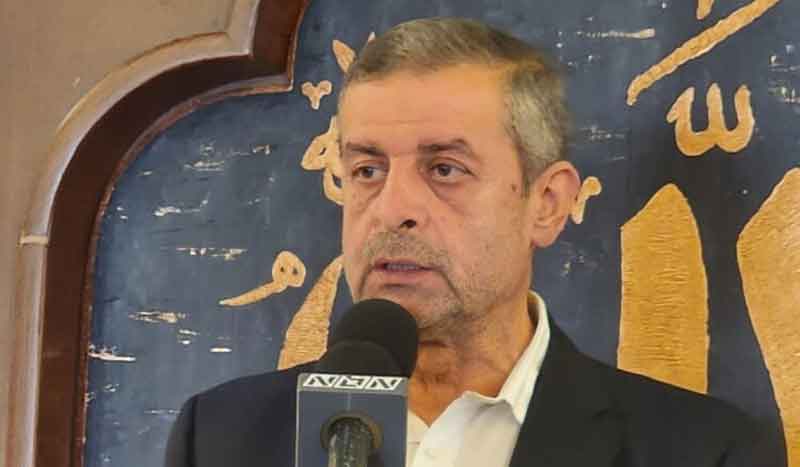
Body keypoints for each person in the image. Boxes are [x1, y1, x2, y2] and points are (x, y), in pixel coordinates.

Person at [165, 17, 758, 467]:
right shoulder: (221, 439)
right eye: (367, 170)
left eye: (445, 169)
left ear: (547, 204)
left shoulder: (705, 451)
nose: (392, 210)